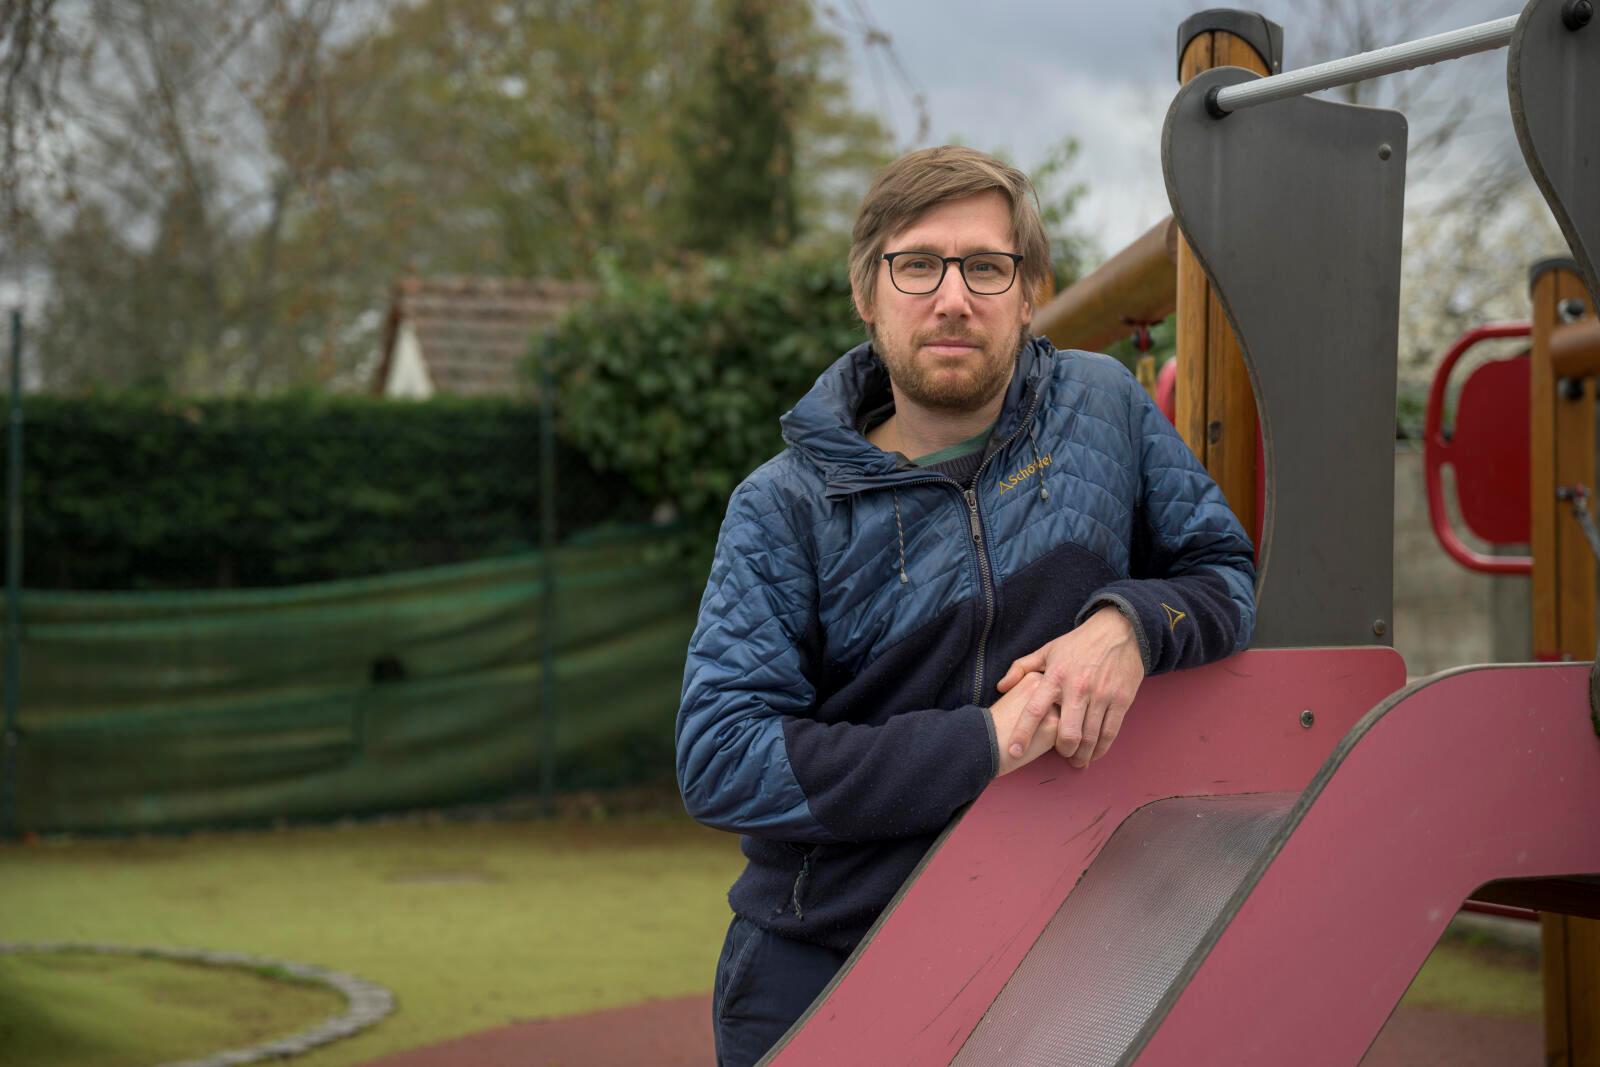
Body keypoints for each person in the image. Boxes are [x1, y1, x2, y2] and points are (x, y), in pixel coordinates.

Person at [676, 145, 1256, 1067]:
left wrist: (1127, 626)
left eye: (988, 266)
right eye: (918, 265)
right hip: (830, 952)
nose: (953, 297)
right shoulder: (782, 505)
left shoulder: (1104, 409)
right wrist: (983, 741)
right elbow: (720, 758)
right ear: (868, 293)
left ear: (1029, 295)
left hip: (1065, 948)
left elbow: (1224, 572)